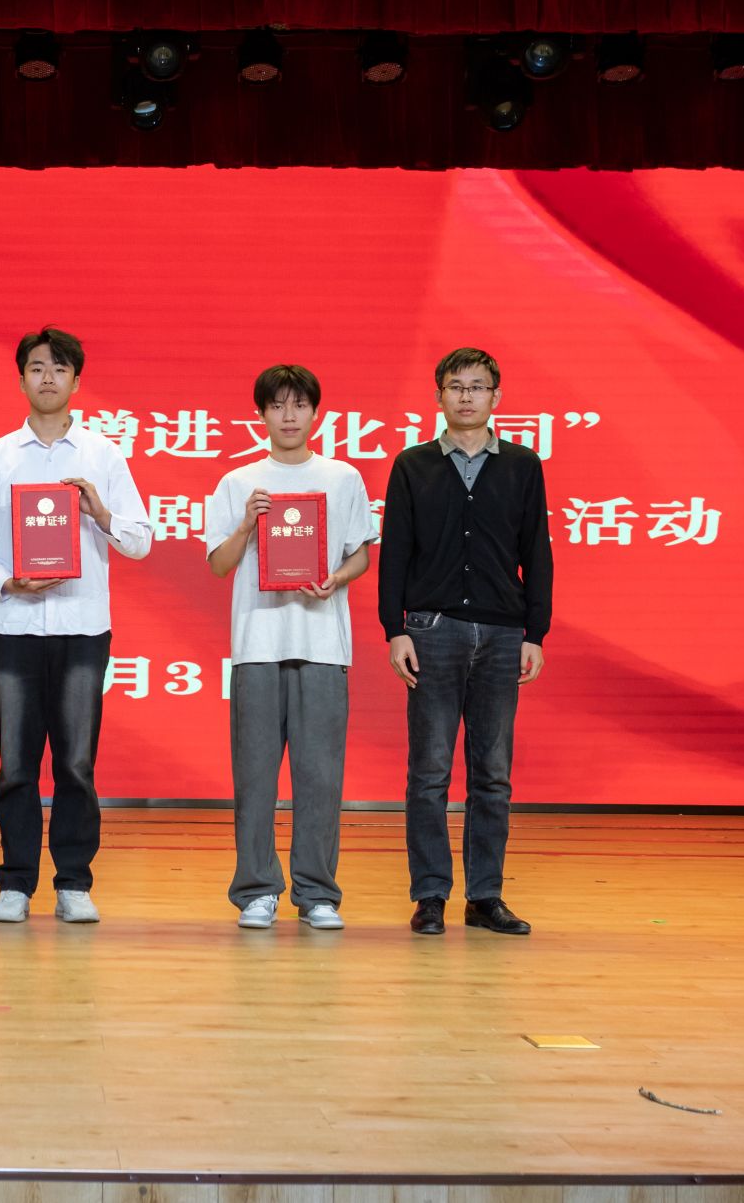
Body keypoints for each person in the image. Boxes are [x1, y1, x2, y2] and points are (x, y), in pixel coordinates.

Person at [0, 327, 153, 924]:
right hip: (14, 626)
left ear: (76, 381)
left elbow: (141, 541)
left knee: (75, 764)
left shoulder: (103, 455)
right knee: (16, 763)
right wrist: (7, 582)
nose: (48, 377)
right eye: (37, 367)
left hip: (82, 627)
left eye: (59, 368)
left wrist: (100, 512)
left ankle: (73, 882)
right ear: (21, 379)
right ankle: (16, 882)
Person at [376, 348, 552, 938]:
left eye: (478, 387)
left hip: (502, 634)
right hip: (432, 630)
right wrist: (395, 628)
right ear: (439, 397)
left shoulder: (523, 465)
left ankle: (485, 897)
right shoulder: (413, 464)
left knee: (492, 773)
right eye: (456, 386)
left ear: (496, 397)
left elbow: (537, 552)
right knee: (428, 772)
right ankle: (430, 896)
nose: (467, 396)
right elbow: (396, 553)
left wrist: (535, 633)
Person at [205, 365, 379, 930]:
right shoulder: (238, 482)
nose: (288, 416)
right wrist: (246, 526)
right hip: (256, 644)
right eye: (277, 405)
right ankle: (256, 890)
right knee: (254, 777)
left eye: (299, 405)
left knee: (320, 777)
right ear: (260, 414)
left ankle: (318, 894)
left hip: (323, 643)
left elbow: (360, 553)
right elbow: (219, 564)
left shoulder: (342, 477)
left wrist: (336, 579)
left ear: (315, 413)